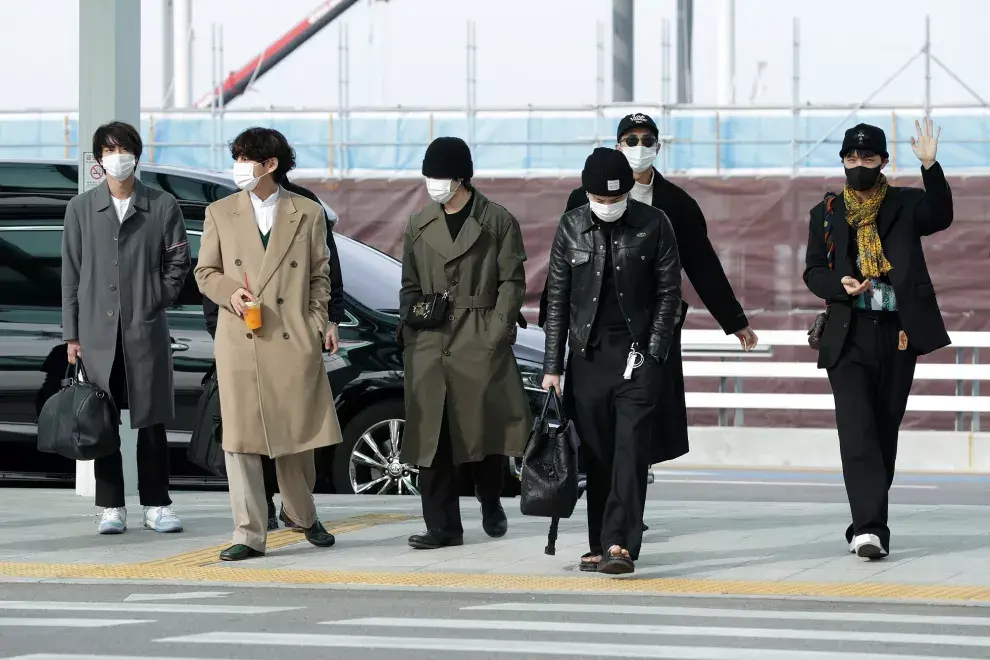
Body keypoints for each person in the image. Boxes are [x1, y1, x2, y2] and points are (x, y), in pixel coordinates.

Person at [538, 112, 755, 481]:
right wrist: (551, 322)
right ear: (618, 145)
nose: (639, 148)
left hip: (651, 330)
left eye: (647, 140)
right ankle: (615, 503)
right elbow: (565, 267)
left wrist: (734, 320)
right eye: (631, 140)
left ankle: (631, 497)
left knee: (642, 425)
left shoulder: (675, 203)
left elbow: (702, 265)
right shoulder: (582, 197)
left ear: (658, 146)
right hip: (594, 332)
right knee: (598, 430)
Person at [804, 118, 952, 560]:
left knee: (884, 430)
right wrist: (840, 285)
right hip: (847, 335)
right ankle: (871, 529)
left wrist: (931, 166)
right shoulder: (827, 213)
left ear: (884, 161)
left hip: (897, 334)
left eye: (868, 157)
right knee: (857, 432)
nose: (859, 164)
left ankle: (864, 519)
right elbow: (813, 270)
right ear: (843, 162)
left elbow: (941, 215)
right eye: (851, 157)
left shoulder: (907, 205)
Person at [194, 127, 340, 561]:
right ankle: (249, 532)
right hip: (239, 340)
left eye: (245, 158)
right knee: (240, 440)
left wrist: (315, 322)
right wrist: (229, 293)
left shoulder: (307, 212)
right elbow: (205, 272)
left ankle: (303, 514)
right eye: (237, 156)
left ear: (270, 165)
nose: (239, 166)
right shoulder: (220, 212)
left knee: (293, 436)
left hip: (291, 338)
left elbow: (320, 275)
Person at [542, 148, 681, 575]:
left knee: (630, 449)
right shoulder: (571, 226)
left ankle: (620, 543)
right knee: (599, 453)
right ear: (586, 194)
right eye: (599, 200)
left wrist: (655, 352)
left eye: (615, 198)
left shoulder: (654, 224)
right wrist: (553, 367)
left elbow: (669, 295)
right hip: (588, 356)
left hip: (638, 357)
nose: (607, 206)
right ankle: (599, 541)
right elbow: (557, 301)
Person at [400, 136, 532, 550]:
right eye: (428, 176)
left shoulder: (497, 221)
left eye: (439, 176)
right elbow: (408, 285)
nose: (432, 184)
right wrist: (411, 329)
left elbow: (512, 281)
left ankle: (490, 500)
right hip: (430, 339)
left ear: (460, 178)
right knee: (430, 437)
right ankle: (442, 527)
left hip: (479, 334)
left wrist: (495, 331)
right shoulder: (419, 223)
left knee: (483, 432)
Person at [61, 121, 190, 535]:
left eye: (125, 149)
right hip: (97, 333)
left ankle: (157, 504)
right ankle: (110, 505)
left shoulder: (162, 204)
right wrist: (72, 334)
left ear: (137, 155)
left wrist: (155, 299)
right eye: (110, 150)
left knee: (151, 420)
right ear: (99, 160)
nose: (119, 157)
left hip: (145, 329)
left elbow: (178, 264)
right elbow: (70, 275)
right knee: (103, 419)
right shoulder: (80, 208)